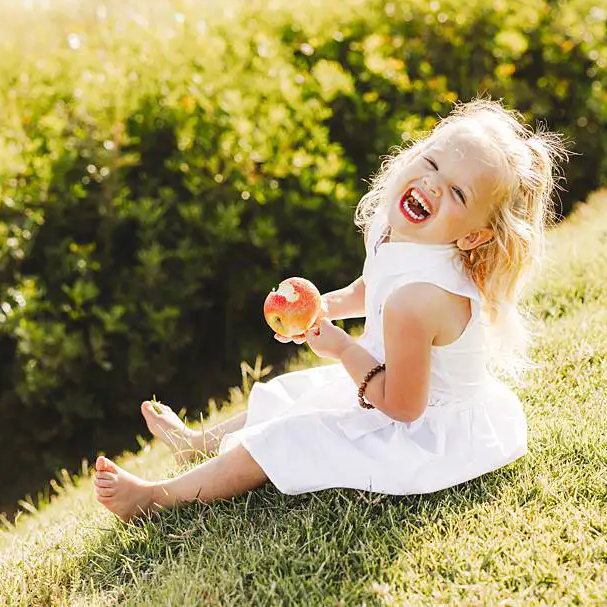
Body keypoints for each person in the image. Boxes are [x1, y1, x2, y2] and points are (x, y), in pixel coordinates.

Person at [94, 100, 565, 517]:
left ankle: (155, 498)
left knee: (286, 438)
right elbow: (372, 285)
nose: (433, 185)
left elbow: (403, 406)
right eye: (431, 163)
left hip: (426, 432)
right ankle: (196, 445)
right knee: (285, 395)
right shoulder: (403, 236)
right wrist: (324, 308)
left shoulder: (419, 301)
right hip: (387, 383)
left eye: (458, 193)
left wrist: (342, 349)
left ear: (473, 236)